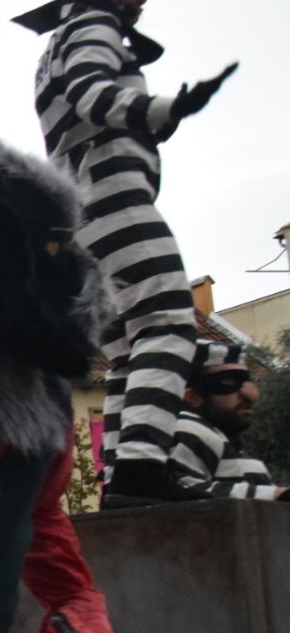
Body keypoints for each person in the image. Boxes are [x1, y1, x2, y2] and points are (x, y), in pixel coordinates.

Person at [19, 0, 238, 504]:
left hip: (83, 213)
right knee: (168, 324)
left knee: (124, 354)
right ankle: (141, 466)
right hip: (114, 197)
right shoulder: (92, 24)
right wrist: (168, 107)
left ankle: (126, 472)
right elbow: (94, 96)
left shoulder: (61, 39)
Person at [172, 349, 286, 501]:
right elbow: (178, 489)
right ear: (193, 396)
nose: (250, 396)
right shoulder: (189, 428)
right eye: (229, 382)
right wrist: (277, 494)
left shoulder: (235, 450)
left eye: (246, 381)